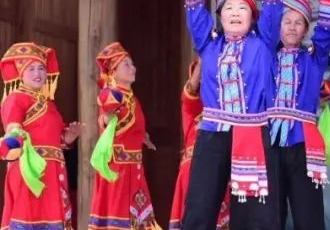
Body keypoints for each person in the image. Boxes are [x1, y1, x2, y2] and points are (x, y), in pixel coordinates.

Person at [182, 0, 283, 230]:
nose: (235, 13)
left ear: (253, 18)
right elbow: (194, 9)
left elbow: (275, 5)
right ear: (220, 16)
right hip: (213, 132)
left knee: (254, 217)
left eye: (243, 8)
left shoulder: (263, 43)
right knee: (200, 205)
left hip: (253, 133)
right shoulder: (208, 44)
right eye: (229, 8)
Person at [268, 0, 330, 230]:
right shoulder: (265, 56)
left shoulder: (314, 59)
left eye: (300, 23)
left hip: (303, 144)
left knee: (308, 216)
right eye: (287, 21)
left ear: (306, 29)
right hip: (270, 143)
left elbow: (327, 30)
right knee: (269, 216)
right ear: (278, 25)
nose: (293, 27)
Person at [0, 42, 84, 230]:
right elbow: (13, 128)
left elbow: (57, 140)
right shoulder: (15, 99)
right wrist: (12, 140)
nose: (38, 74)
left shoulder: (49, 104)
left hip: (53, 173)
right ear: (21, 73)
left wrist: (69, 136)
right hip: (30, 173)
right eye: (31, 69)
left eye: (41, 68)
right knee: (29, 220)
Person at [89, 42, 161, 230]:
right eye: (126, 65)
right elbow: (107, 113)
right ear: (113, 72)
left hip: (134, 169)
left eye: (132, 63)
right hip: (119, 171)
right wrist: (107, 116)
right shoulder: (113, 94)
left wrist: (142, 136)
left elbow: (129, 125)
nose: (133, 68)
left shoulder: (132, 98)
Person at [169, 57, 229, 230]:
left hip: (221, 170)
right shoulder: (193, 106)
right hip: (194, 171)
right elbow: (190, 89)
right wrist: (205, 57)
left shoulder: (228, 106)